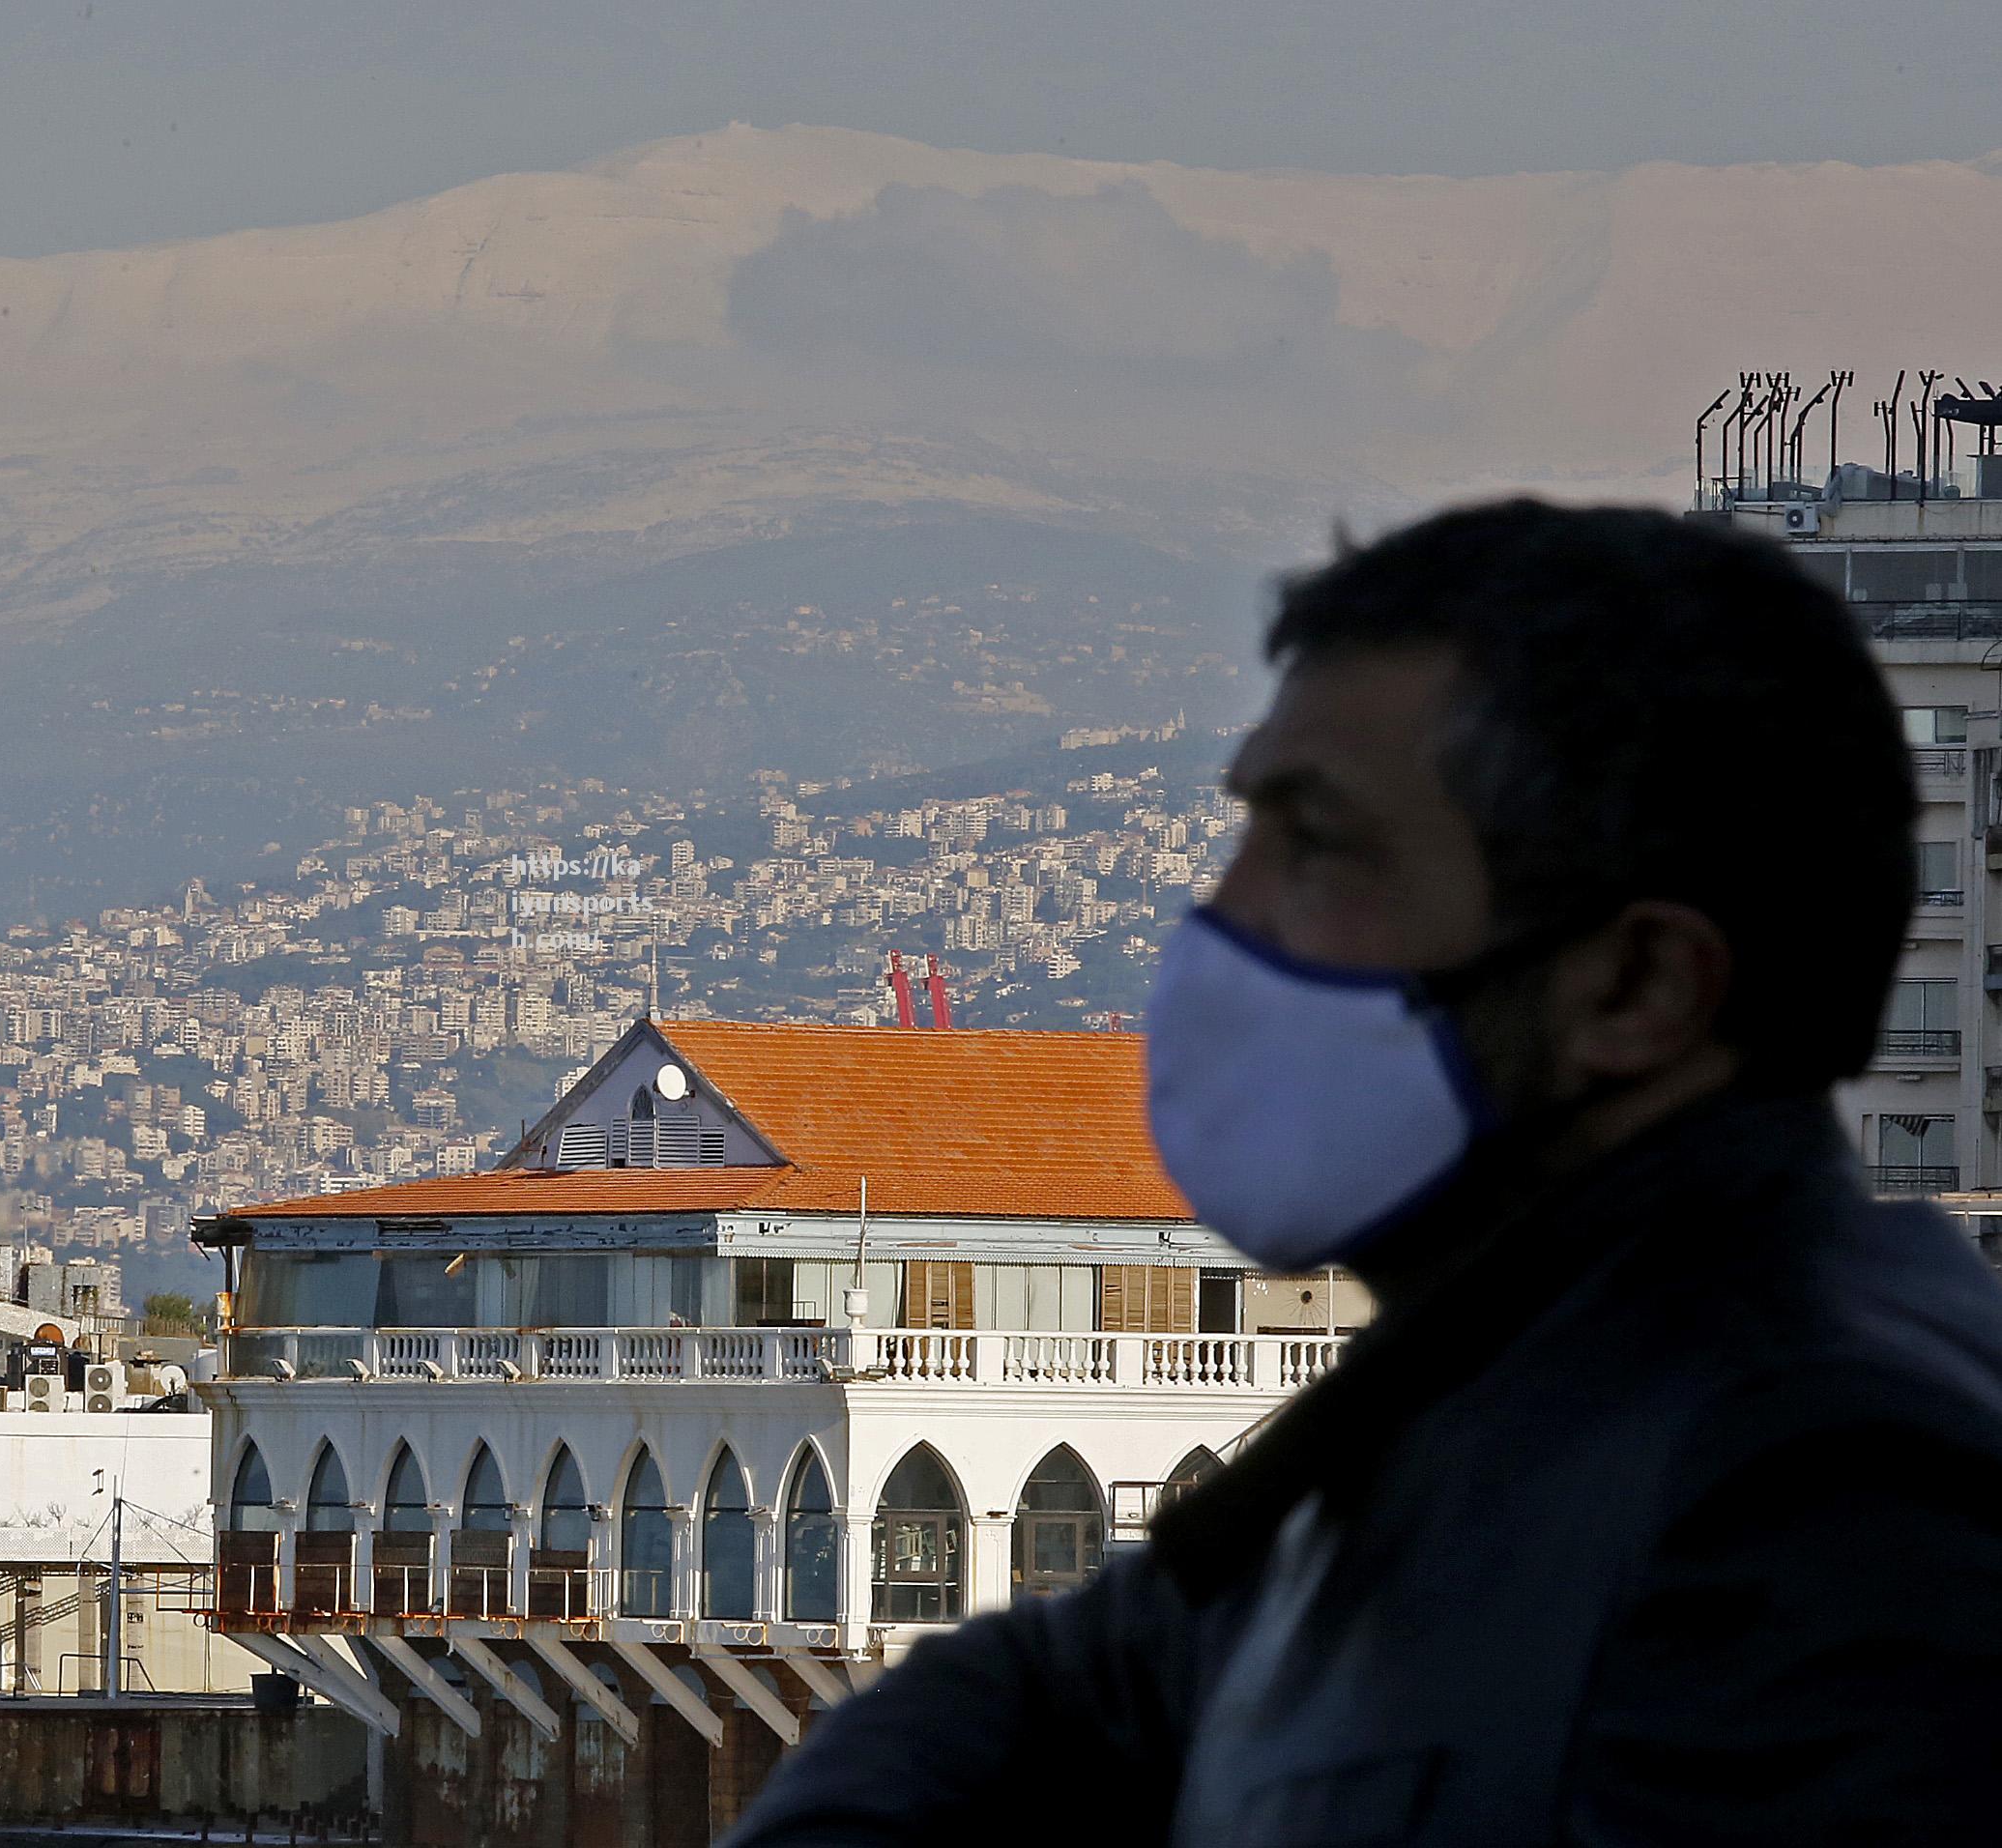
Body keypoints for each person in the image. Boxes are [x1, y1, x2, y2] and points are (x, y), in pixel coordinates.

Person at [724, 502, 2002, 1846]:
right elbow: (1044, 1694)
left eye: (1318, 848)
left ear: (1637, 985)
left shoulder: (1827, 1508)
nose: (1220, 923)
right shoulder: (1485, 1402)